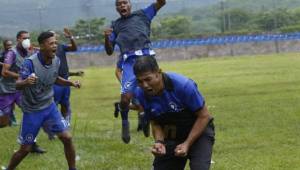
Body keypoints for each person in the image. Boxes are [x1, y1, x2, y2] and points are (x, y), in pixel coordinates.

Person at [5, 31, 79, 170]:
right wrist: (26, 81)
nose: (55, 46)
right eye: (51, 43)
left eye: (56, 43)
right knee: (25, 149)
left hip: (49, 107)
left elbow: (55, 78)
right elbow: (17, 84)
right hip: (33, 111)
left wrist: (70, 83)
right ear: (42, 46)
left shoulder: (56, 60)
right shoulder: (30, 63)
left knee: (67, 138)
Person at [133, 56, 215, 170]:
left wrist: (187, 143)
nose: (145, 85)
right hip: (172, 135)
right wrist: (159, 142)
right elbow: (155, 122)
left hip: (199, 131)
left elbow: (204, 116)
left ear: (159, 72)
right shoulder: (140, 93)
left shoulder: (183, 85)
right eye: (140, 81)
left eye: (148, 79)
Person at [104, 0, 166, 143]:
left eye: (125, 2)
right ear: (116, 8)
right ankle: (125, 123)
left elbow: (161, 2)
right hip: (129, 62)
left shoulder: (143, 14)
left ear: (130, 4)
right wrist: (106, 38)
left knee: (156, 92)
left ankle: (149, 118)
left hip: (147, 58)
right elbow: (109, 51)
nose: (122, 6)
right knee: (125, 98)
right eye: (119, 4)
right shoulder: (115, 25)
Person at [51, 28, 83, 127]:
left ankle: (66, 123)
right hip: (54, 82)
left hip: (65, 80)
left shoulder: (61, 47)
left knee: (65, 104)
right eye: (52, 35)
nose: (54, 36)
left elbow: (74, 48)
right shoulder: (45, 50)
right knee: (54, 105)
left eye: (55, 35)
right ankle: (56, 125)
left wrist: (71, 38)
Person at [0, 39, 20, 127]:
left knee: (11, 102)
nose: (10, 47)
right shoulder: (2, 55)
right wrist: (3, 64)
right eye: (8, 45)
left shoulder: (14, 54)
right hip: (2, 81)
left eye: (11, 45)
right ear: (4, 46)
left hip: (11, 82)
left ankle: (12, 120)